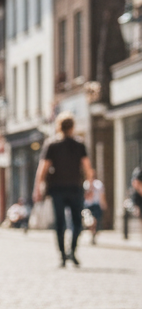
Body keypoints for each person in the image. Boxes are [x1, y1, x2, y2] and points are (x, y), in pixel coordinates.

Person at [32, 113, 94, 267]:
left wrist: (37, 189)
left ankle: (62, 255)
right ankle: (72, 251)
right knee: (77, 223)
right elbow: (88, 168)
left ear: (59, 127)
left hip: (57, 189)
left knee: (60, 223)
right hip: (75, 188)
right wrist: (90, 186)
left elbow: (42, 169)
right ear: (72, 127)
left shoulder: (51, 144)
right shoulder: (79, 144)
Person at [84, 176, 106, 245]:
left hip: (96, 204)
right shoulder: (86, 184)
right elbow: (85, 195)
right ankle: (91, 232)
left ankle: (94, 233)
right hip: (88, 205)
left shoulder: (98, 184)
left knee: (96, 220)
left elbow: (102, 194)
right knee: (90, 221)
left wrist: (103, 203)